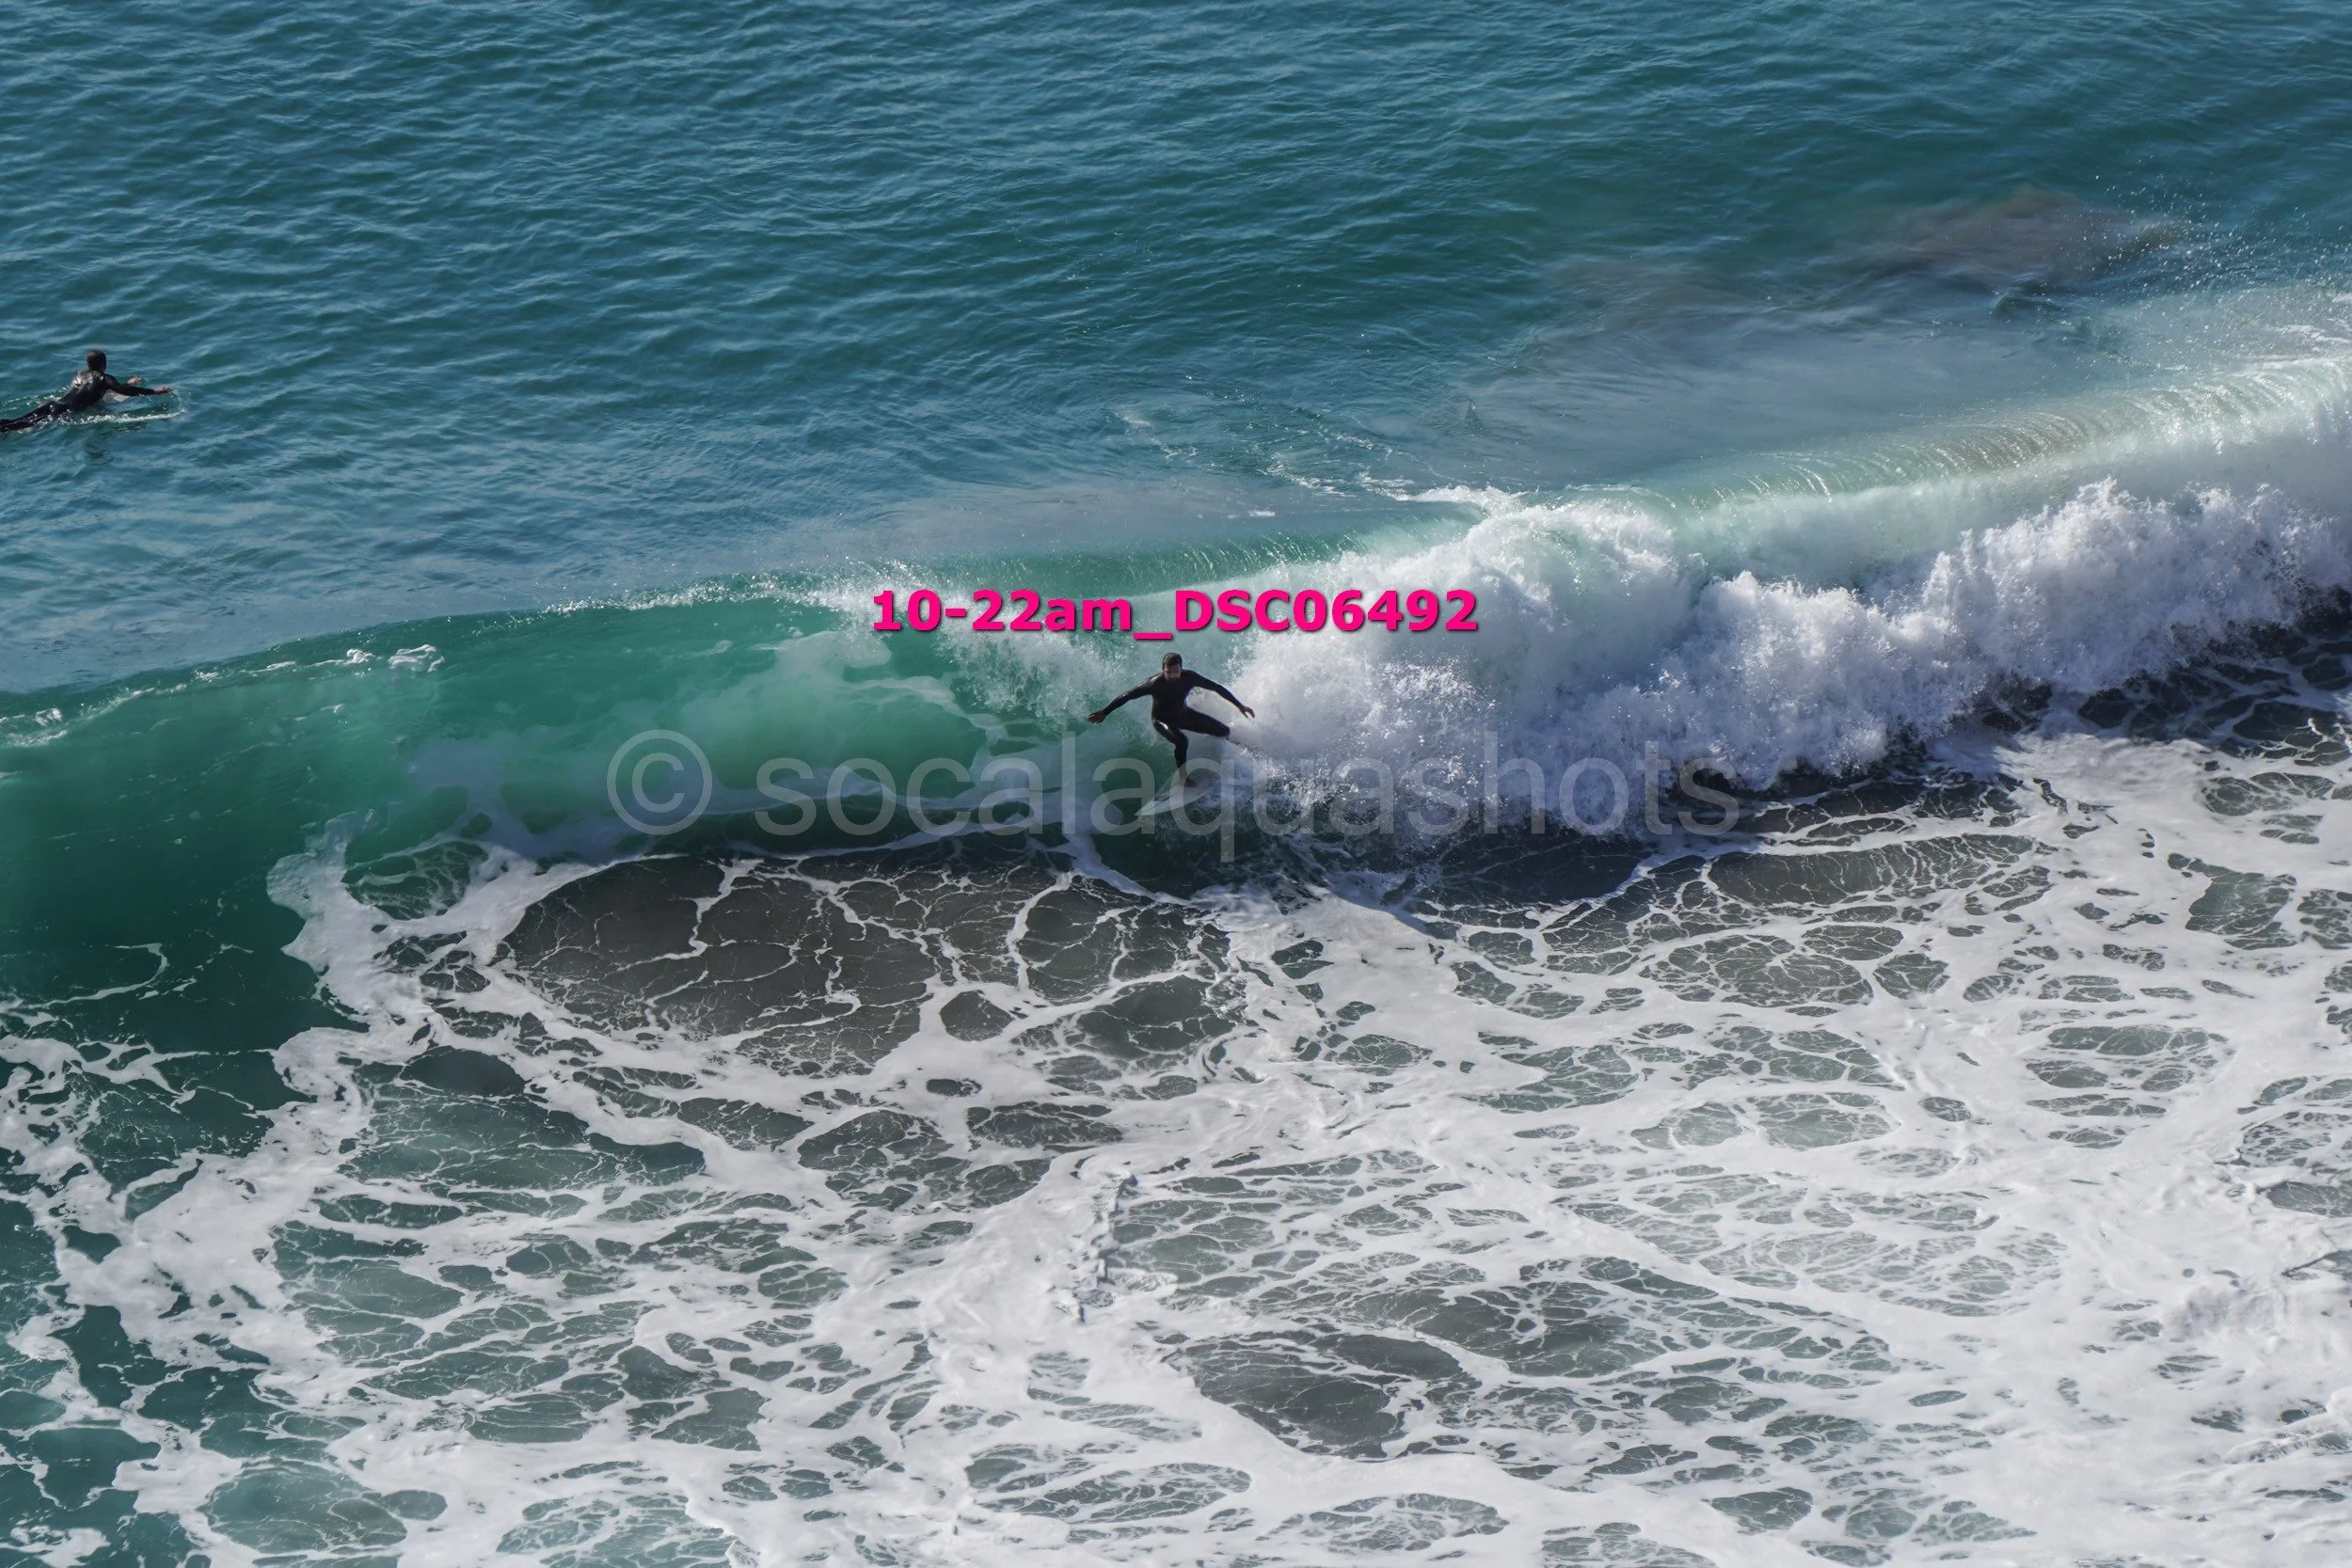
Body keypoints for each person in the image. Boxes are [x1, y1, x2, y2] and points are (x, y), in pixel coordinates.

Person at [1088, 651, 1254, 770]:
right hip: (1162, 720)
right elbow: (1128, 695)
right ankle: (1183, 777)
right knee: (1182, 741)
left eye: (1176, 671)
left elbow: (1216, 688)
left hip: (1183, 714)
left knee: (1223, 731)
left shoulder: (1190, 677)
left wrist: (1239, 705)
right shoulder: (1154, 683)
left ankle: (1235, 752)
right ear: (1163, 669)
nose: (1173, 676)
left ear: (1181, 668)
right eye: (1169, 672)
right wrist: (1105, 712)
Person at [0, 351, 174, 432]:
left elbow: (104, 388)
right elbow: (122, 390)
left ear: (88, 364)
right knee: (21, 426)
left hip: (53, 404)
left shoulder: (80, 374)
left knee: (19, 421)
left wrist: (127, 383)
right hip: (66, 411)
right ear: (104, 365)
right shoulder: (105, 378)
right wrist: (154, 391)